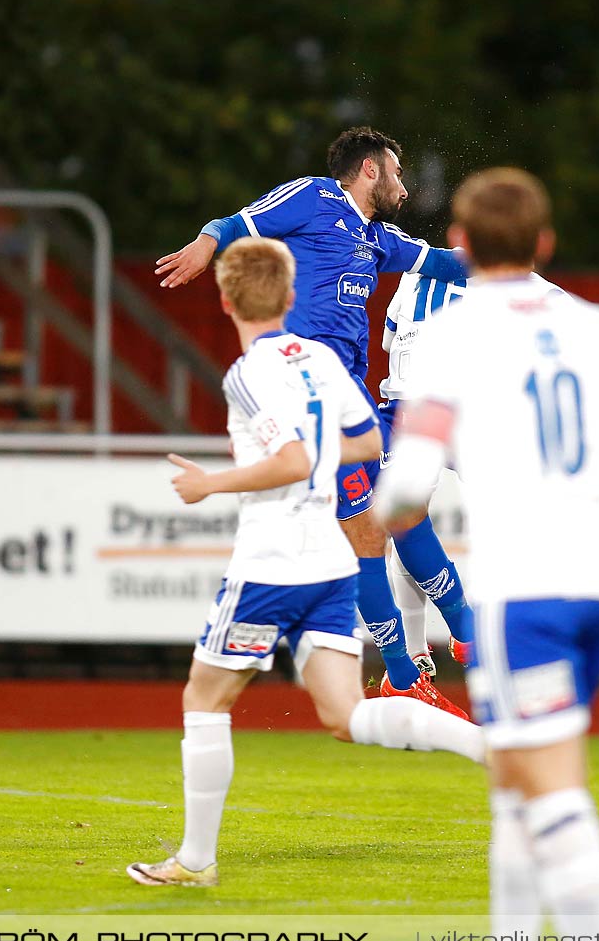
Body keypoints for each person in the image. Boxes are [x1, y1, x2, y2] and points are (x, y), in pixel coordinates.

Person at [380, 169, 599, 941]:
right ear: (544, 242)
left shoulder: (454, 333)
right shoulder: (596, 326)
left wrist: (390, 514)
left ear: (459, 244)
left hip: (523, 588)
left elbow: (404, 480)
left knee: (549, 786)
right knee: (513, 781)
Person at [128, 238, 485, 889]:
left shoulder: (245, 373)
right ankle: (487, 747)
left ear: (226, 298)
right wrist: (322, 464)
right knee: (344, 716)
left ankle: (196, 861)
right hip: (332, 562)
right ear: (292, 298)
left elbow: (289, 461)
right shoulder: (320, 356)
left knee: (204, 697)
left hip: (271, 562)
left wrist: (211, 485)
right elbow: (371, 440)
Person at [156, 127, 473, 714]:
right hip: (304, 393)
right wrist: (205, 244)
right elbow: (239, 223)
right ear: (371, 170)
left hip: (347, 394)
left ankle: (434, 652)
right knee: (371, 529)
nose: (405, 187)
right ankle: (429, 655)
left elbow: (443, 266)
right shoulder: (316, 196)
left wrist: (509, 263)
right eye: (398, 173)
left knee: (389, 518)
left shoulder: (376, 238)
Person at [377, 271, 476, 680]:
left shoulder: (411, 278)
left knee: (404, 522)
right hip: (473, 409)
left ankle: (416, 653)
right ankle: (478, 634)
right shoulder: (518, 280)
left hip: (408, 406)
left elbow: (388, 339)